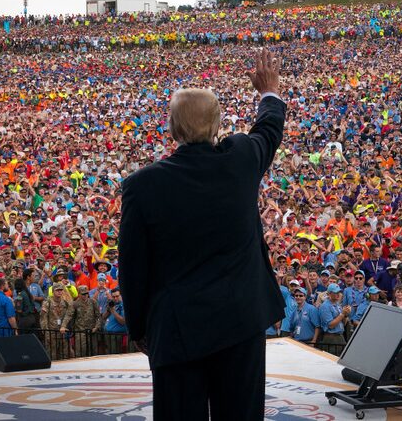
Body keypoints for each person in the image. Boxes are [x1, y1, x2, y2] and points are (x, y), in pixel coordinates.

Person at [119, 49, 285, 420]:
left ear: (173, 128)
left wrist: (140, 328)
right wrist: (268, 91)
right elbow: (269, 128)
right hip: (240, 323)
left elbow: (132, 267)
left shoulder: (142, 186)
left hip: (176, 330)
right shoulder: (240, 159)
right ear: (217, 126)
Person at [41, 283, 72, 360]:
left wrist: (64, 326)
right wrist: (46, 332)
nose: (59, 292)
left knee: (64, 355)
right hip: (52, 333)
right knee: (52, 355)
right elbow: (43, 319)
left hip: (62, 332)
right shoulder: (47, 302)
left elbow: (68, 315)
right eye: (57, 290)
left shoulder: (65, 302)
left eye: (61, 290)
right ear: (53, 291)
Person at [68, 285, 100, 357]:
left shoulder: (93, 302)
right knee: (80, 352)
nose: (85, 295)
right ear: (79, 294)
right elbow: (69, 316)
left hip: (92, 331)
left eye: (86, 293)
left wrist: (96, 327)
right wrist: (64, 326)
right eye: (83, 294)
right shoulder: (75, 304)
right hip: (80, 331)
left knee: (93, 352)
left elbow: (98, 316)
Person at [319, 283, 350, 355]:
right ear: (329, 293)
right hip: (331, 338)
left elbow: (343, 323)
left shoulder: (338, 305)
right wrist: (342, 314)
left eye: (339, 292)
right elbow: (330, 325)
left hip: (340, 336)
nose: (338, 294)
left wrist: (345, 315)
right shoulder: (325, 306)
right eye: (335, 292)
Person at [101, 287, 126, 354]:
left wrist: (113, 311)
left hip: (117, 335)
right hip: (108, 334)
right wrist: (109, 310)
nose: (115, 298)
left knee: (115, 356)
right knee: (108, 355)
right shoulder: (112, 303)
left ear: (121, 295)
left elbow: (123, 322)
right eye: (113, 297)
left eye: (117, 296)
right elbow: (103, 317)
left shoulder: (123, 305)